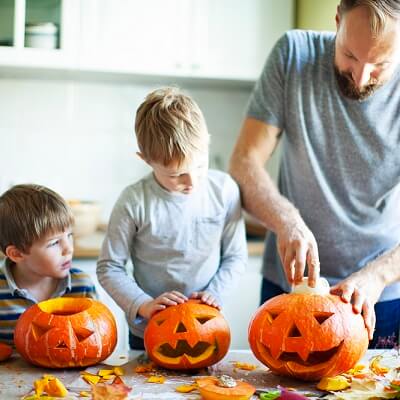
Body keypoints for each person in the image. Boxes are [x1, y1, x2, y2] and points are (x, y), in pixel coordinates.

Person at [229, 0, 400, 348]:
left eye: (380, 64)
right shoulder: (294, 55)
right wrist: (285, 219)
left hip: (382, 296)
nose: (361, 76)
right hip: (290, 289)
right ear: (337, 20)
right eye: (350, 55)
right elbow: (245, 161)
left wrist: (377, 276)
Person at [97, 87, 247, 350]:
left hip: (206, 325)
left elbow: (235, 256)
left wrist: (216, 293)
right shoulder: (133, 201)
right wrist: (143, 305)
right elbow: (109, 267)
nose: (192, 181)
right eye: (176, 175)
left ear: (207, 142)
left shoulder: (225, 191)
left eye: (200, 166)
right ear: (145, 160)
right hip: (147, 331)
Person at [0, 184, 97, 345]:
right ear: (16, 254)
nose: (69, 249)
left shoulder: (82, 285)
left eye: (70, 235)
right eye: (54, 243)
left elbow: (95, 337)